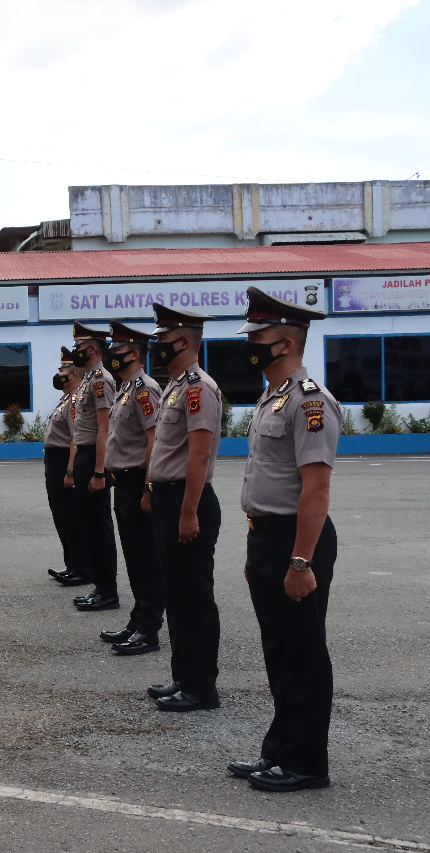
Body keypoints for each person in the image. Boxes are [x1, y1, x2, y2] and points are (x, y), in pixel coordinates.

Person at [228, 286, 339, 792]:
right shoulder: (272, 397)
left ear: (286, 344)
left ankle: (307, 763)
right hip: (268, 537)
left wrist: (300, 561)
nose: (249, 342)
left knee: (302, 653)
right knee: (279, 651)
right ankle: (279, 750)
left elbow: (316, 488)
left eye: (259, 335)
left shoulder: (310, 401)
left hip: (298, 542)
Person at [144, 303, 223, 712]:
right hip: (167, 496)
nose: (156, 345)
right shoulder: (174, 386)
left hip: (187, 499)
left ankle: (201, 688)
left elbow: (199, 454)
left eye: (162, 340)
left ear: (184, 342)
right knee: (176, 593)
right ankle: (183, 677)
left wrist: (188, 511)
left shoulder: (198, 388)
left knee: (194, 596)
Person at [99, 320, 164, 656]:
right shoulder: (125, 388)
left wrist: (149, 487)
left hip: (138, 480)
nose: (111, 355)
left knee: (145, 559)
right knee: (135, 557)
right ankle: (138, 620)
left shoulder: (144, 389)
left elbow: (154, 440)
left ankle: (148, 629)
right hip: (122, 481)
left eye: (117, 350)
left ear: (134, 354)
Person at [65, 322, 119, 609]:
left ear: (93, 349)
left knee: (99, 527)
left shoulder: (101, 380)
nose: (76, 352)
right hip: (85, 455)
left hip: (93, 458)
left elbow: (104, 429)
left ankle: (108, 590)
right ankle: (100, 586)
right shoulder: (89, 379)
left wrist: (100, 471)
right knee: (89, 525)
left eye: (80, 348)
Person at [44, 347, 86, 585]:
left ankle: (81, 567)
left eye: (62, 369)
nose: (58, 373)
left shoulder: (75, 401)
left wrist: (70, 471)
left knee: (71, 517)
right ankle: (72, 564)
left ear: (72, 374)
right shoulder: (66, 399)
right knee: (62, 516)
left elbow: (76, 439)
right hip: (54, 461)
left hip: (63, 462)